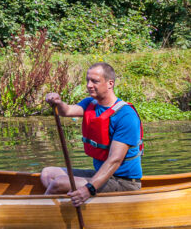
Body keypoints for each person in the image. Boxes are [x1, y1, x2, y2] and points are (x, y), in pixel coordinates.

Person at [41, 62, 143, 206]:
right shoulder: (91, 103)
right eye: (88, 80)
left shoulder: (125, 115)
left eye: (95, 81)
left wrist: (89, 189)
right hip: (102, 176)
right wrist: (57, 102)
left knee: (60, 183)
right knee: (47, 173)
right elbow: (67, 111)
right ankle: (61, 207)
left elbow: (115, 160)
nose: (89, 85)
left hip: (124, 183)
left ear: (110, 84)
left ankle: (39, 213)